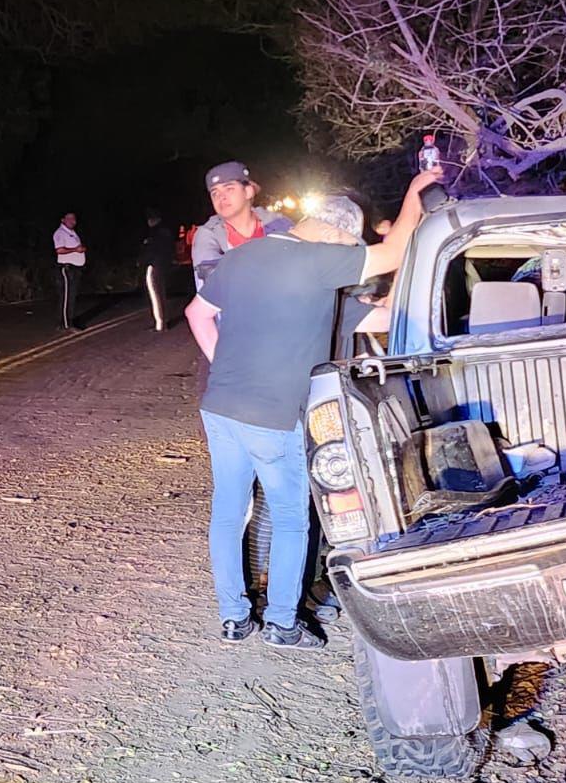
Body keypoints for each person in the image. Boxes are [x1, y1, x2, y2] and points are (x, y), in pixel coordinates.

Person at [182, 167, 445, 649]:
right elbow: (393, 251)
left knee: (227, 512)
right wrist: (414, 192)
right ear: (333, 232)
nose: (349, 255)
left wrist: (228, 365)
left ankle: (233, 617)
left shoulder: (242, 256)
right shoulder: (321, 260)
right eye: (348, 245)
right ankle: (282, 622)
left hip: (220, 407)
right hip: (273, 414)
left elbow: (195, 314)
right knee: (290, 517)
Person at [191, 162, 293, 291]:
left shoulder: (278, 224)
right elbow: (215, 287)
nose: (221, 197)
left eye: (229, 189)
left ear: (248, 191)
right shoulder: (208, 235)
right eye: (215, 193)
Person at [139, 208, 174, 332]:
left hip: (155, 266)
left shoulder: (155, 233)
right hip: (163, 266)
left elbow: (150, 251)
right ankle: (162, 321)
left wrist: (145, 262)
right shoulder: (166, 231)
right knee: (161, 293)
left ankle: (160, 324)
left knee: (155, 294)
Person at [53, 211, 86, 332]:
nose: (73, 221)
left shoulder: (71, 233)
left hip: (75, 268)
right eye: (69, 218)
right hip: (67, 268)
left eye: (74, 219)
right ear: (63, 220)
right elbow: (60, 250)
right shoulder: (60, 233)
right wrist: (76, 249)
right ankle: (67, 324)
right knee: (68, 297)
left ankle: (64, 322)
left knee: (70, 297)